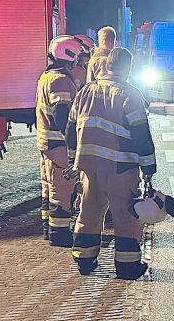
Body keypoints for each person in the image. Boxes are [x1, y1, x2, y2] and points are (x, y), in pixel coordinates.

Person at [65, 47, 157, 280]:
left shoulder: (85, 92)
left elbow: (70, 128)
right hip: (120, 166)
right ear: (127, 67)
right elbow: (141, 135)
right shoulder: (130, 94)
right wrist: (148, 168)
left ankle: (84, 260)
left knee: (88, 212)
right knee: (125, 216)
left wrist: (74, 158)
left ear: (107, 65)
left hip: (88, 165)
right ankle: (127, 267)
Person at [36, 35, 89, 247]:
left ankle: (48, 228)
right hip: (58, 144)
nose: (79, 60)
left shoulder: (46, 76)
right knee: (62, 188)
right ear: (69, 54)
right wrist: (73, 144)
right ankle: (59, 234)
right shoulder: (60, 81)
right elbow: (62, 116)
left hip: (46, 144)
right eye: (78, 56)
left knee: (48, 188)